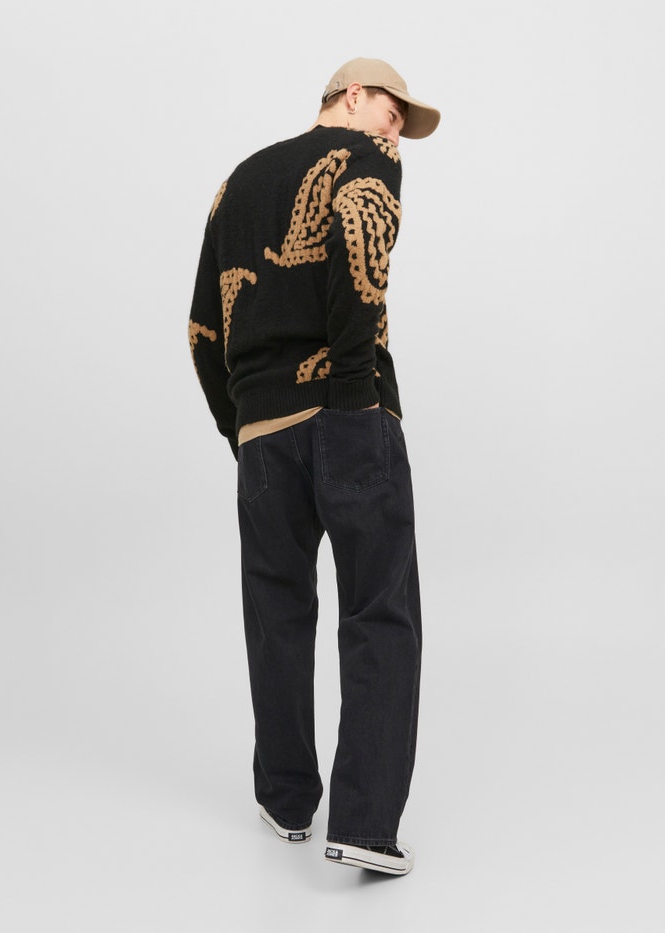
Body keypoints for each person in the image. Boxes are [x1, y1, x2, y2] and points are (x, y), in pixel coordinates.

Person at [188, 57, 440, 876]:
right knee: (380, 608)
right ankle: (364, 824)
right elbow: (359, 261)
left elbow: (201, 325)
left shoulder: (237, 182)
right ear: (352, 96)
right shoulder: (366, 157)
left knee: (276, 609)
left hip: (263, 430)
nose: (396, 130)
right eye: (391, 111)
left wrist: (241, 425)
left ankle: (285, 797)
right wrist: (356, 391)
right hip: (346, 411)